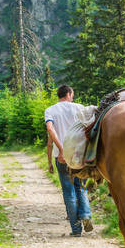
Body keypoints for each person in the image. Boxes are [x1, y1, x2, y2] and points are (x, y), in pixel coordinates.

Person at [45, 85, 93, 237]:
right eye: (72, 94)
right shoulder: (80, 108)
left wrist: (61, 150)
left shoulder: (51, 110)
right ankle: (85, 215)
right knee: (81, 187)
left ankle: (76, 229)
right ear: (69, 94)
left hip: (61, 157)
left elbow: (50, 129)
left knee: (68, 191)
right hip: (79, 155)